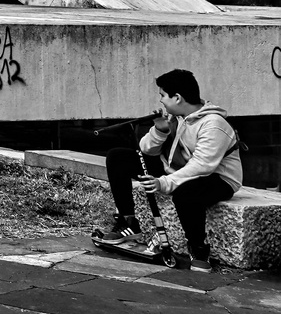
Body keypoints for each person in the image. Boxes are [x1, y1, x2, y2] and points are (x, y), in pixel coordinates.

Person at [95, 69, 242, 269]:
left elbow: (202, 167)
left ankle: (198, 249)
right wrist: (161, 129)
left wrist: (163, 182)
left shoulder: (214, 125)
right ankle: (128, 223)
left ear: (178, 97)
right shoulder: (177, 117)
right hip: (176, 168)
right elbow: (145, 149)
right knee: (118, 157)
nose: (161, 101)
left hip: (218, 178)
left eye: (163, 95)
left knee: (185, 193)